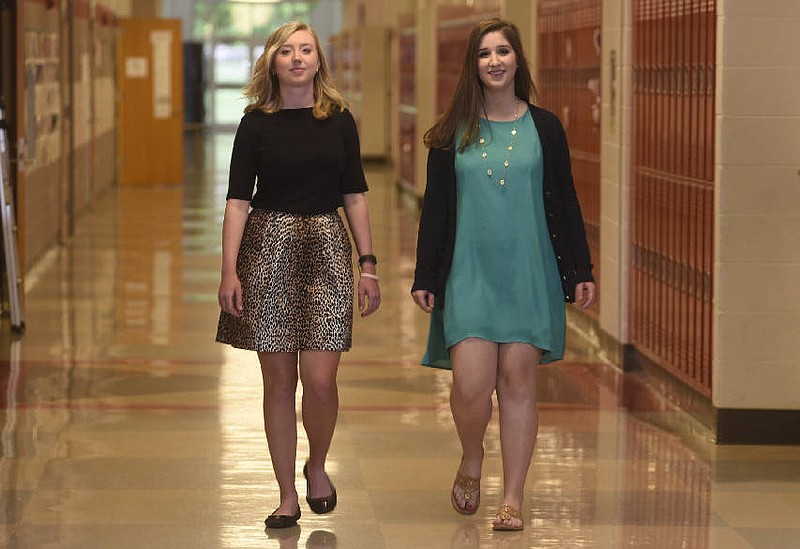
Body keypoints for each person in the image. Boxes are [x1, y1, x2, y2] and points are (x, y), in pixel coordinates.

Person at [411, 18, 595, 531]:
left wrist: (580, 268)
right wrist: (426, 275)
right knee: (471, 387)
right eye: (484, 54)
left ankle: (513, 497)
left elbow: (565, 198)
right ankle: (473, 457)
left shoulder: (545, 127)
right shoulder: (451, 135)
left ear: (518, 60)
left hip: (528, 273)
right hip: (468, 274)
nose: (495, 61)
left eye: (503, 52)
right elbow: (437, 212)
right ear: (473, 66)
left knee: (517, 383)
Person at [216, 21, 381, 529]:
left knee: (322, 380)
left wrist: (368, 264)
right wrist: (229, 271)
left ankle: (316, 464)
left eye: (305, 49)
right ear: (272, 61)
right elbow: (238, 202)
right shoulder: (254, 124)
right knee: (278, 381)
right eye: (286, 50)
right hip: (267, 249)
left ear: (318, 60)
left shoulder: (340, 121)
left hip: (327, 248)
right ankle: (287, 493)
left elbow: (354, 192)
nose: (296, 58)